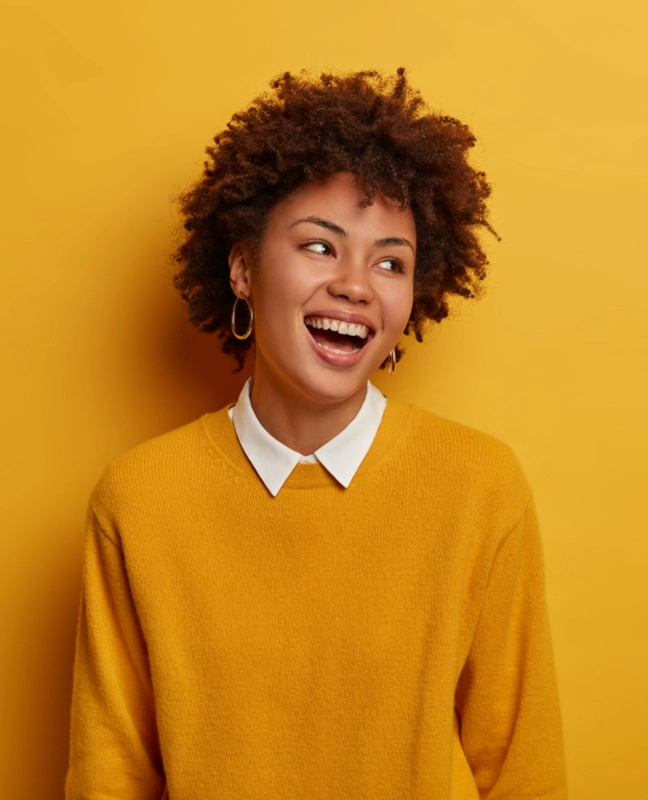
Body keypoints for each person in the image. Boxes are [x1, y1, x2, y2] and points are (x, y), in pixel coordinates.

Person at [65, 69, 567, 799]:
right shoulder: (139, 501)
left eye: (390, 261)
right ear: (242, 268)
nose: (357, 285)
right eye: (321, 247)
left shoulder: (481, 488)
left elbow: (523, 771)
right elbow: (110, 774)